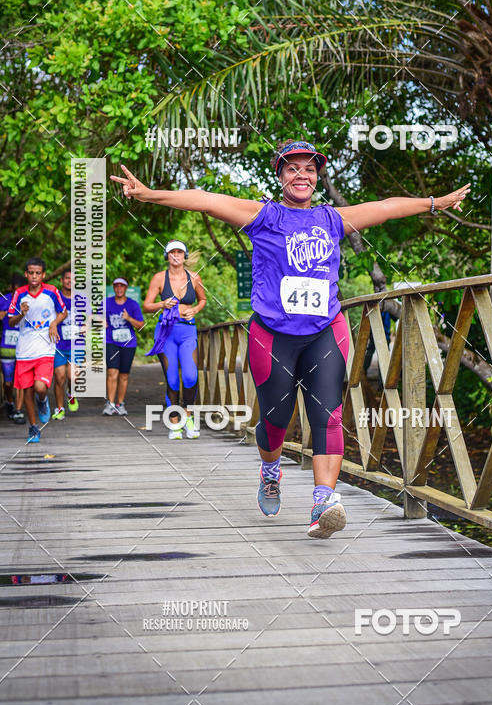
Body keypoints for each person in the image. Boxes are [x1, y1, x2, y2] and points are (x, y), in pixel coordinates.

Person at [111, 141, 470, 538]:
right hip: (272, 336)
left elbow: (385, 207)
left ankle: (323, 502)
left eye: (310, 169)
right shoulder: (263, 215)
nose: (302, 175)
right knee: (275, 422)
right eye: (292, 168)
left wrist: (434, 202)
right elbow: (204, 200)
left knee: (328, 417)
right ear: (280, 176)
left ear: (318, 177)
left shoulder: (332, 219)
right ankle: (270, 470)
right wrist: (148, 195)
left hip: (326, 332)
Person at [143, 240, 206, 440]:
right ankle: (175, 423)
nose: (176, 255)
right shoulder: (159, 278)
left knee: (190, 376)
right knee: (171, 378)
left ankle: (188, 416)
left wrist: (194, 309)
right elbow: (147, 305)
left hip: (187, 331)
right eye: (172, 252)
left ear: (184, 255)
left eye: (179, 252)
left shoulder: (194, 278)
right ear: (167, 256)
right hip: (166, 332)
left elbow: (202, 299)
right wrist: (162, 303)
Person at [8, 258, 67, 443]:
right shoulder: (19, 294)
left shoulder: (51, 291)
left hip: (45, 348)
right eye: (31, 273)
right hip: (25, 351)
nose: (34, 276)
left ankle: (43, 401)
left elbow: (63, 311)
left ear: (43, 275)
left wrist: (54, 324)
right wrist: (21, 314)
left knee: (40, 387)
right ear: (26, 274)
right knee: (27, 391)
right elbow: (10, 321)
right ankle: (33, 428)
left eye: (38, 273)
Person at [102, 278, 145, 416]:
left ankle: (120, 404)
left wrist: (129, 319)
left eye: (122, 286)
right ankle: (110, 404)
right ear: (113, 288)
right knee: (112, 372)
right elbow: (94, 317)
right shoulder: (107, 303)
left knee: (124, 375)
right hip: (111, 342)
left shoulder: (133, 305)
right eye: (116, 286)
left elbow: (141, 325)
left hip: (128, 343)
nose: (119, 289)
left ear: (126, 288)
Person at [52, 267, 81, 420]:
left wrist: (86, 327)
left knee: (73, 377)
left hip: (76, 345)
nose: (70, 281)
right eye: (67, 278)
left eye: (73, 278)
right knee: (59, 377)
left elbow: (89, 318)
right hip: (58, 344)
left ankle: (71, 394)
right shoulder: (55, 298)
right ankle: (60, 408)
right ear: (62, 280)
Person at [0, 272, 26, 424]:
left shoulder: (28, 302)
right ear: (11, 288)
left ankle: (18, 410)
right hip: (7, 346)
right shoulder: (3, 300)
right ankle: (10, 402)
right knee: (8, 382)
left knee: (21, 380)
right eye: (15, 289)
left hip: (24, 347)